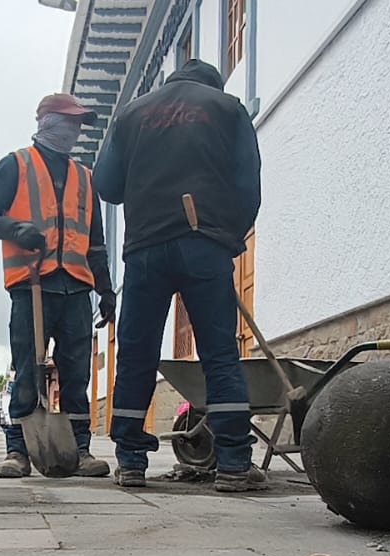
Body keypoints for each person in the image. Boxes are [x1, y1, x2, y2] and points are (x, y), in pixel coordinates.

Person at [93, 60, 265, 492]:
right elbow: (248, 183)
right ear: (212, 84)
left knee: (135, 355)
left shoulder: (132, 114)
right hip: (202, 241)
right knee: (219, 355)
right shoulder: (228, 109)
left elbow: (107, 186)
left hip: (145, 246)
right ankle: (233, 465)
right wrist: (230, 236)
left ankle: (130, 462)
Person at [0, 92, 118, 479]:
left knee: (77, 374)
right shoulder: (14, 166)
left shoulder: (86, 180)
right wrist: (16, 229)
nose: (73, 130)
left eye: (78, 124)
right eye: (68, 121)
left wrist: (105, 291)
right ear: (46, 122)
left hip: (75, 291)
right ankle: (18, 451)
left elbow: (97, 244)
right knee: (27, 371)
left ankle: (81, 450)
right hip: (31, 285)